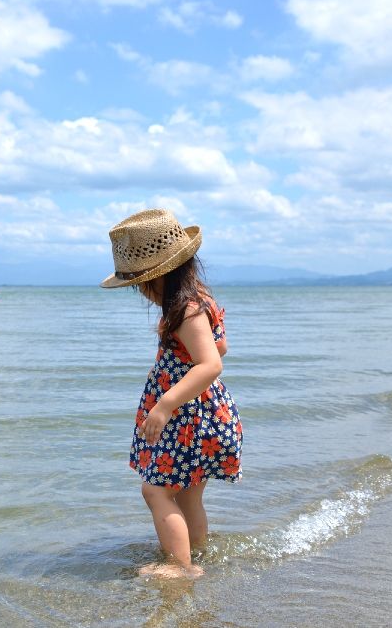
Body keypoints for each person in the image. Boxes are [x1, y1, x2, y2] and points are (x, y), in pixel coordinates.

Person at [101, 208, 243, 579]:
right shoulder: (200, 300)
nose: (142, 292)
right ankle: (194, 556)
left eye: (142, 284)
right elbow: (221, 346)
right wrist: (178, 365)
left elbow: (212, 364)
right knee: (188, 494)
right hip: (203, 414)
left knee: (157, 492)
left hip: (186, 418)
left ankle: (180, 567)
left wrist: (164, 404)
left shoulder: (187, 310)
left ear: (161, 277)